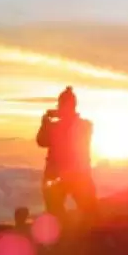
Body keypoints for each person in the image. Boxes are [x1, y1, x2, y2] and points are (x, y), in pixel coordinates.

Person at [36, 86, 97, 223]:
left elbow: (43, 141)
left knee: (84, 210)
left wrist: (47, 124)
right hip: (77, 174)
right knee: (88, 210)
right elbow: (42, 141)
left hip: (65, 174)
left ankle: (68, 235)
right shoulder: (84, 125)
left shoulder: (83, 125)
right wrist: (46, 124)